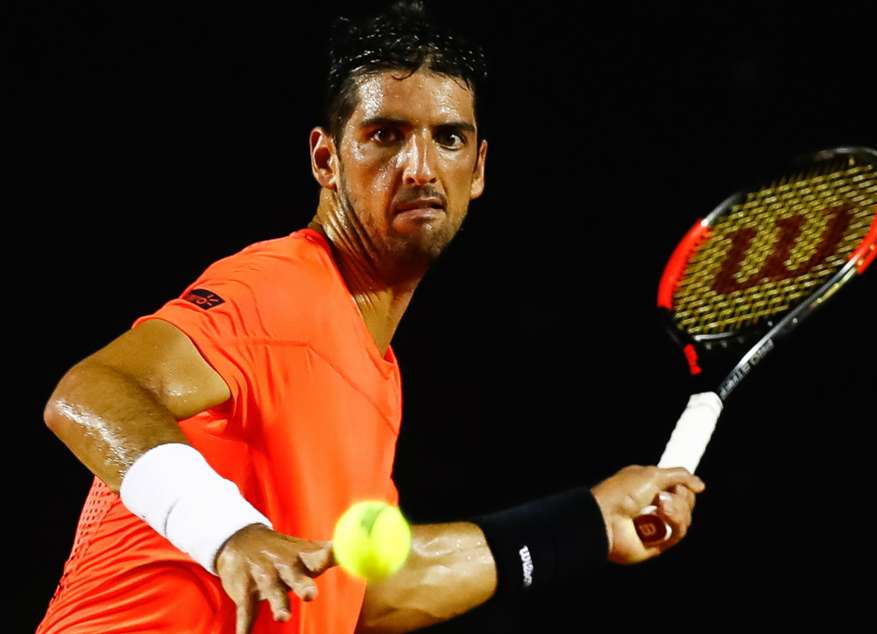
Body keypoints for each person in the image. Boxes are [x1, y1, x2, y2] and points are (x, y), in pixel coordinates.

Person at [37, 2, 705, 633]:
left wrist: (587, 525)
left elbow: (375, 592)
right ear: (326, 159)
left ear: (477, 170)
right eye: (386, 135)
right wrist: (228, 532)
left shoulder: (376, 374)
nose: (419, 167)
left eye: (449, 138)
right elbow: (88, 392)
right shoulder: (282, 288)